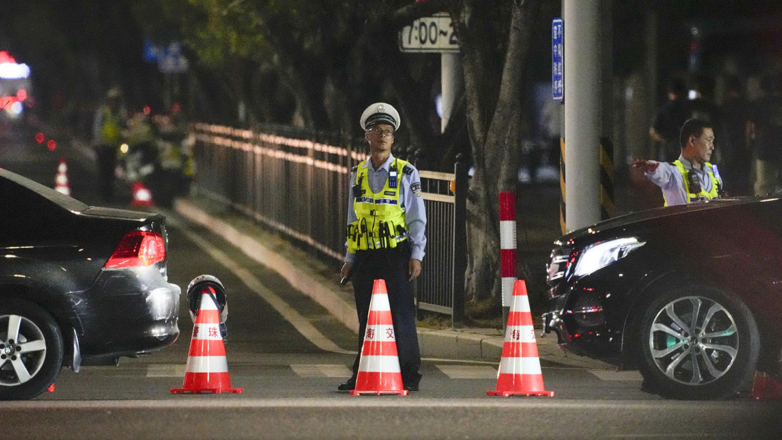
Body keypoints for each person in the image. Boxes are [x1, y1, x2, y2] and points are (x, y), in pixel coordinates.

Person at [338, 102, 427, 392]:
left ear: (393, 138)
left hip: (395, 253)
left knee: (401, 314)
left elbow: (416, 218)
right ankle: (362, 372)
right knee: (366, 317)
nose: (383, 136)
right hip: (365, 255)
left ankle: (409, 375)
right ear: (367, 136)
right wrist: (350, 257)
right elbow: (353, 218)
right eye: (377, 130)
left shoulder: (406, 172)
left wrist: (416, 255)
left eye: (387, 132)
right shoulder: (357, 173)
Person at [633, 118, 723, 206]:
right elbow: (659, 169)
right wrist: (650, 166)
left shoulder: (713, 171)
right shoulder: (673, 173)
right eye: (709, 140)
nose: (712, 147)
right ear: (692, 141)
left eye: (713, 141)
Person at [92, 88, 127, 201]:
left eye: (116, 101)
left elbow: (122, 128)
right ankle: (103, 193)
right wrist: (97, 143)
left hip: (113, 147)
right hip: (102, 146)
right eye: (113, 100)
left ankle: (109, 193)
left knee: (111, 171)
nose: (114, 103)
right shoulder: (103, 112)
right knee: (103, 170)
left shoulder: (120, 114)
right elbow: (97, 128)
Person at [650, 77, 691, 162]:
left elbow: (653, 131)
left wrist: (664, 140)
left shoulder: (664, 110)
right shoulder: (689, 109)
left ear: (670, 93)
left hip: (667, 150)